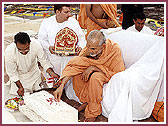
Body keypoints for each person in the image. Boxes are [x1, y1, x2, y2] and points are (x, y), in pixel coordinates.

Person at [53, 30, 125, 122]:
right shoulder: (90, 48)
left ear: (102, 47)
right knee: (77, 69)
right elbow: (75, 65)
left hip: (107, 73)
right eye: (88, 46)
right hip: (96, 68)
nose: (89, 50)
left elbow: (118, 73)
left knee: (95, 77)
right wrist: (61, 86)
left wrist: (94, 67)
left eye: (93, 49)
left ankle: (93, 111)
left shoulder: (114, 49)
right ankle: (87, 102)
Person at [38, 4, 86, 76]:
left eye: (70, 12)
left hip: (71, 60)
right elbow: (42, 40)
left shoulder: (73, 22)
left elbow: (81, 38)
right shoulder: (46, 23)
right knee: (55, 83)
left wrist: (80, 47)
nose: (69, 15)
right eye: (66, 12)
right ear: (57, 12)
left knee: (70, 83)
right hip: (54, 60)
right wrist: (49, 47)